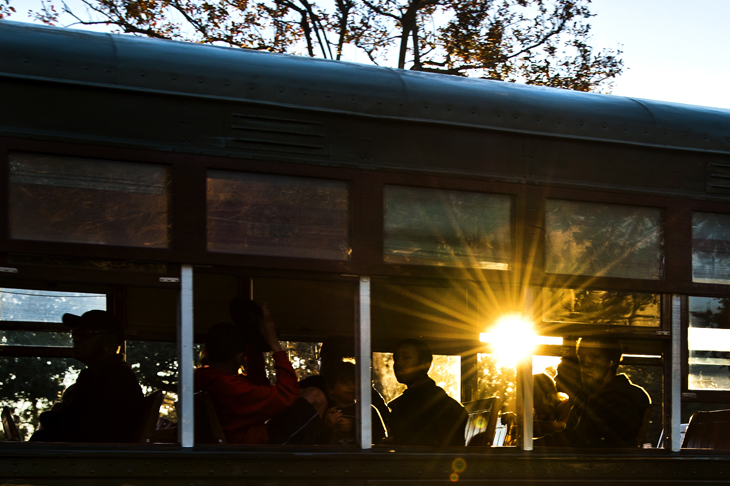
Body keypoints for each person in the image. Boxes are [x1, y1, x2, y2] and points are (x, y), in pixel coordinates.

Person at [194, 306, 327, 444]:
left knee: (304, 392)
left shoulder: (206, 378)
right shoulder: (229, 388)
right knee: (315, 395)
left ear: (205, 352)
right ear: (239, 358)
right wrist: (275, 345)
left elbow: (258, 385)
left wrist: (253, 346)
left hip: (242, 438)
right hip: (252, 447)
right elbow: (287, 395)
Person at [30, 310, 144, 443]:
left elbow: (81, 431)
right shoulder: (104, 375)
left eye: (85, 333)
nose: (76, 339)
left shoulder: (109, 380)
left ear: (109, 341)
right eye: (75, 333)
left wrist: (49, 417)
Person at [536, 336, 651, 448]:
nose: (586, 363)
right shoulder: (585, 396)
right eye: (582, 357)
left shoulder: (627, 397)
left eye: (595, 356)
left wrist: (534, 445)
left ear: (611, 361)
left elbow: (585, 439)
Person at [299, 335, 389, 443]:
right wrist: (327, 427)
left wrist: (353, 428)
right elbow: (315, 441)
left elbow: (380, 439)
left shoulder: (369, 411)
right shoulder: (325, 412)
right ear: (330, 388)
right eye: (344, 382)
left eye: (354, 382)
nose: (351, 386)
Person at [384, 339, 467, 447]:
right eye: (395, 359)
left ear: (425, 364)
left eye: (406, 358)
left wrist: (395, 440)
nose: (398, 364)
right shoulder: (412, 398)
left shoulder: (434, 401)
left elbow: (432, 442)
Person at [554, 354, 581, 424]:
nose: (555, 378)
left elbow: (562, 427)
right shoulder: (564, 404)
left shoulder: (581, 406)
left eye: (561, 374)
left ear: (574, 377)